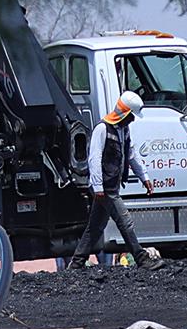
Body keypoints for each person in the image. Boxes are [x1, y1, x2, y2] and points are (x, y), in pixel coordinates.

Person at [67, 90, 164, 270]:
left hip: (111, 187)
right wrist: (97, 187)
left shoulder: (124, 131)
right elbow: (94, 159)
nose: (133, 120)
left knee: (95, 227)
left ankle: (77, 263)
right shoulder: (102, 129)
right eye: (132, 116)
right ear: (125, 113)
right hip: (106, 188)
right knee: (125, 221)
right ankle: (142, 259)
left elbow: (132, 156)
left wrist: (145, 177)